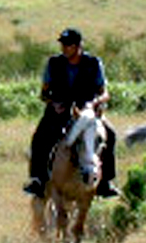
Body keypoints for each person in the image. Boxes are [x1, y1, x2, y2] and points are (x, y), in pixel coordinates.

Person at [26, 28, 117, 199]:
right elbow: (44, 93)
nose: (65, 48)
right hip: (59, 111)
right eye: (63, 45)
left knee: (110, 134)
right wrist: (53, 103)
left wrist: (95, 102)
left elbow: (104, 92)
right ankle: (37, 179)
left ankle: (106, 182)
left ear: (78, 46)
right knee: (40, 137)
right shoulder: (53, 63)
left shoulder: (94, 63)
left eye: (69, 45)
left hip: (87, 111)